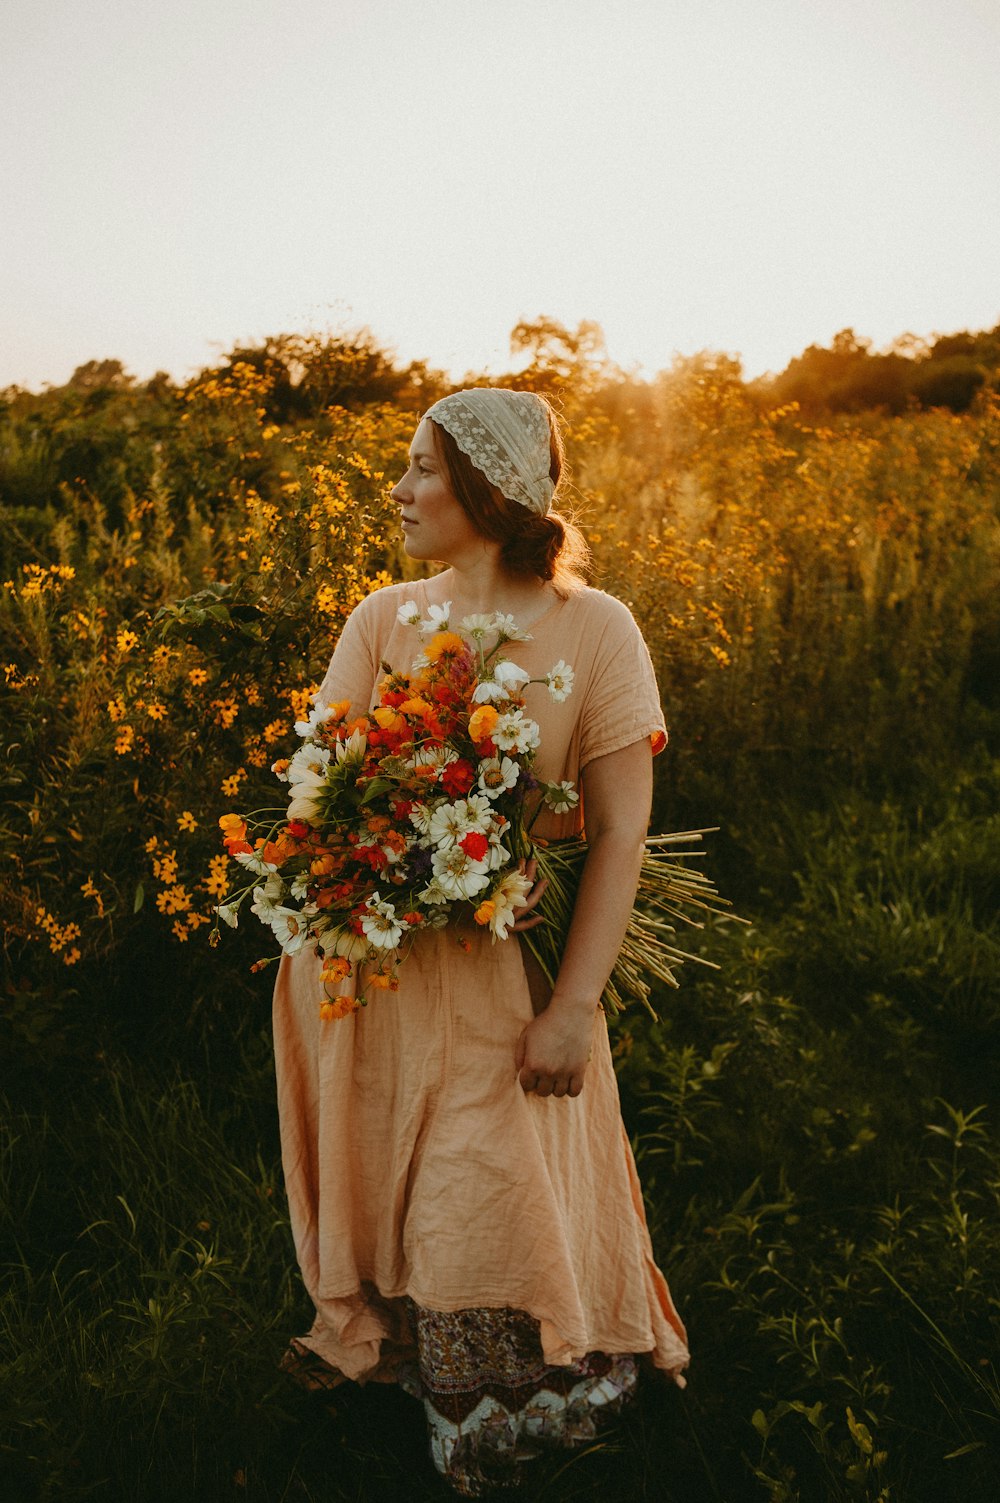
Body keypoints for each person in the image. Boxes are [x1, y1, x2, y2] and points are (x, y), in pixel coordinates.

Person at [272, 387, 689, 1496]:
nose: (398, 489)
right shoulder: (382, 619)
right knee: (396, 1183)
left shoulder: (592, 628)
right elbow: (323, 792)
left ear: (490, 492)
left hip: (511, 969)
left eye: (419, 469)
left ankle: (526, 1417)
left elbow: (619, 830)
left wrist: (573, 1006)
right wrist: (370, 849)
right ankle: (416, 1363)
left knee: (484, 1189)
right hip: (371, 964)